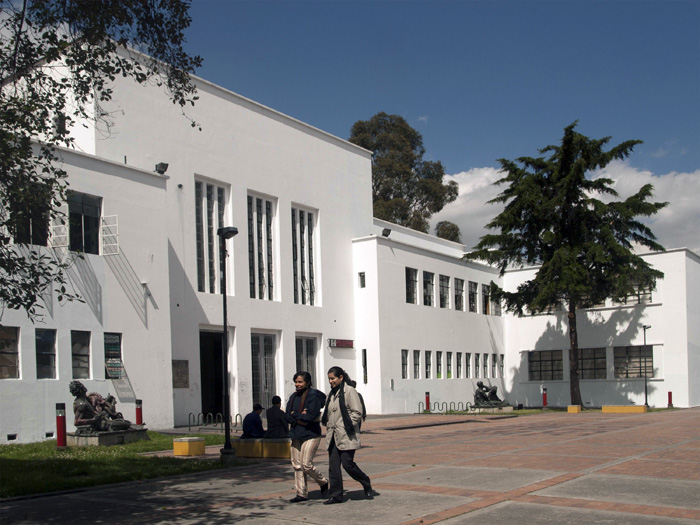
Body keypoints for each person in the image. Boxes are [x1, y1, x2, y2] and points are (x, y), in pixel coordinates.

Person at [321, 366, 373, 504]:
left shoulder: (349, 391)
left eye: (333, 378)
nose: (331, 381)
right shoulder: (331, 394)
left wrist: (346, 425)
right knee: (333, 467)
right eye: (329, 379)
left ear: (341, 377)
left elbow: (357, 412)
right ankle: (336, 495)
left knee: (347, 464)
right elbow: (328, 412)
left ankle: (365, 481)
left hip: (346, 435)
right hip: (333, 435)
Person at [285, 371, 329, 503]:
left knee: (306, 464)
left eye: (300, 382)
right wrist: (299, 416)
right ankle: (301, 493)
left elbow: (310, 417)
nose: (297, 384)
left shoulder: (313, 396)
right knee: (297, 465)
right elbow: (287, 415)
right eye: (296, 382)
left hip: (311, 434)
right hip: (296, 434)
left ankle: (323, 482)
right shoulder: (293, 397)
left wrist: (295, 415)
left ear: (308, 382)